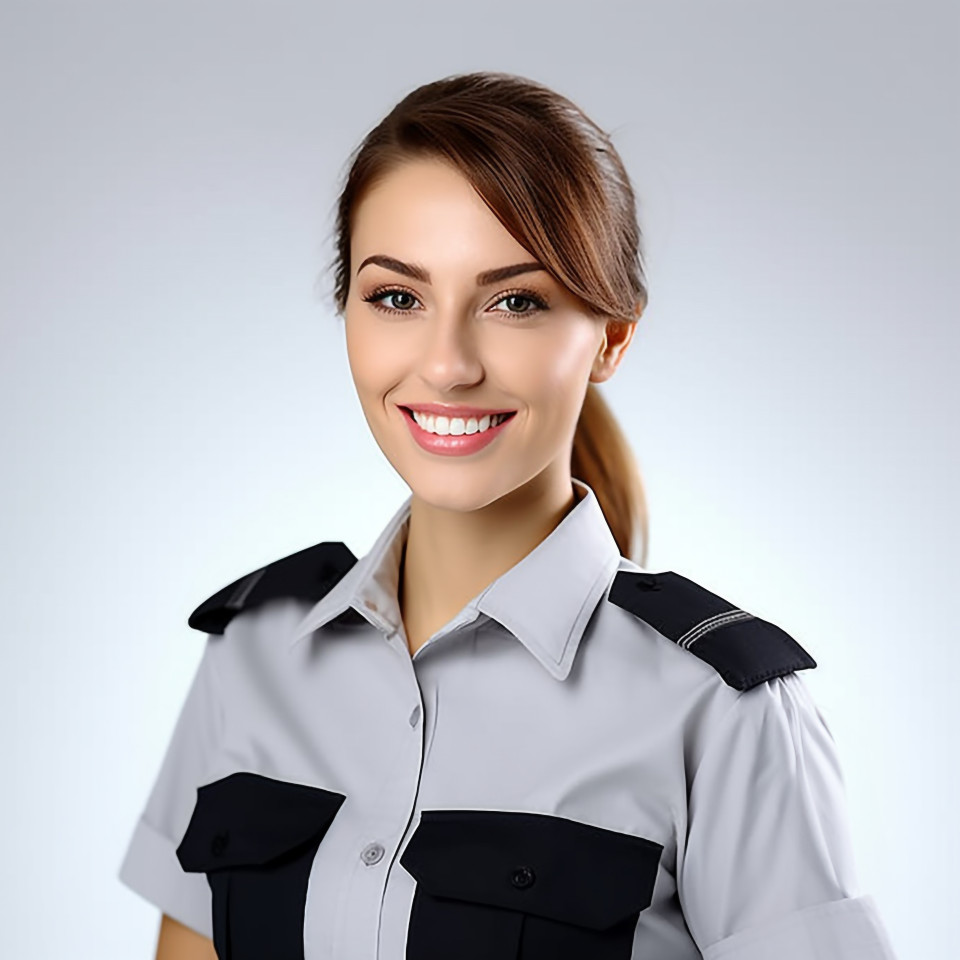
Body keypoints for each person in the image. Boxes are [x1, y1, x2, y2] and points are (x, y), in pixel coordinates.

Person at [118, 71, 899, 960]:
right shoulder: (253, 653)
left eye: (515, 302)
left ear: (611, 337)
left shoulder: (724, 713)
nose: (447, 365)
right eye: (398, 297)